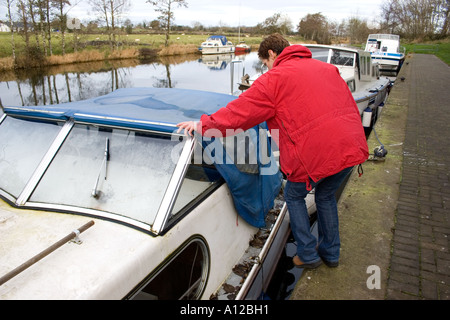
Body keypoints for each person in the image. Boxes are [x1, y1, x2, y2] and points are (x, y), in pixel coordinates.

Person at [177, 33, 369, 269]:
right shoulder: (326, 69)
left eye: (266, 64)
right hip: (351, 146)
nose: (266, 68)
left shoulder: (274, 79)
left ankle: (308, 254)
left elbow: (240, 113)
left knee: (294, 195)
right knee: (326, 195)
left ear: (270, 54)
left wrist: (203, 125)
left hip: (315, 154)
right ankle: (330, 253)